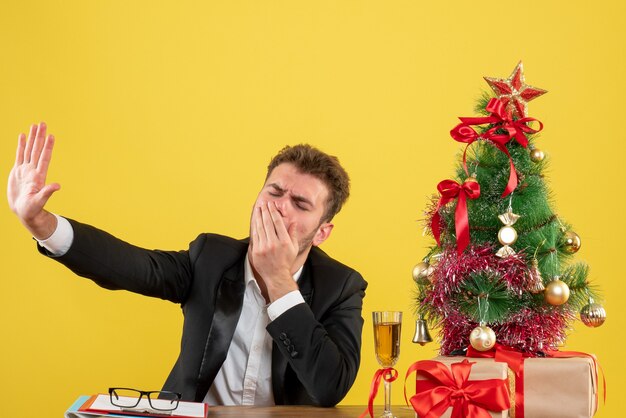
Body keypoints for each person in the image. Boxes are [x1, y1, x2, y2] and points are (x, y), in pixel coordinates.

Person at [7, 122, 367, 407]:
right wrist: (41, 224)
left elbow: (329, 386)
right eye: (274, 192)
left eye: (300, 204)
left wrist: (279, 281)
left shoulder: (342, 286)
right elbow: (130, 265)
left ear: (322, 232)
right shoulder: (211, 257)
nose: (279, 207)